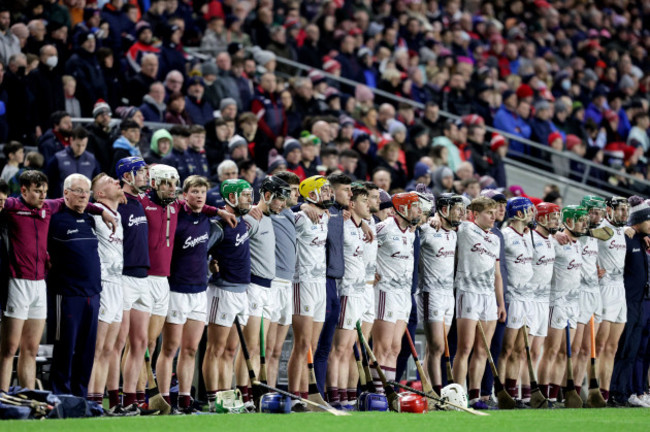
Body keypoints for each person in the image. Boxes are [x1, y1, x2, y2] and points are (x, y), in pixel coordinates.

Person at [0, 170, 114, 392]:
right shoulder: (13, 207)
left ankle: (30, 397)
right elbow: (4, 202)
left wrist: (102, 211)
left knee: (30, 348)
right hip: (18, 282)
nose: (42, 196)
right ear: (23, 190)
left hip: (40, 283)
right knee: (9, 349)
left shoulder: (47, 208)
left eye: (44, 191)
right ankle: (4, 399)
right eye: (36, 191)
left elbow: (75, 201)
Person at [155, 175, 212, 414]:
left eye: (203, 192)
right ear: (185, 194)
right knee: (170, 349)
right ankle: (165, 400)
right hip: (177, 289)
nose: (199, 196)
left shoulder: (209, 218)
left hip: (200, 291)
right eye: (195, 191)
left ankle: (186, 401)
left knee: (191, 350)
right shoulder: (175, 214)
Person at [234, 176, 291, 402]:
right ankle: (243, 394)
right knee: (250, 346)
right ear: (267, 196)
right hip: (254, 286)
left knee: (259, 347)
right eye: (280, 199)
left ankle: (253, 393)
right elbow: (234, 242)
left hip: (268, 287)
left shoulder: (268, 217)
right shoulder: (252, 218)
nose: (283, 204)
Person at [48, 174, 102, 397]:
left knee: (86, 350)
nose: (82, 195)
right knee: (65, 348)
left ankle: (81, 397)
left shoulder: (90, 219)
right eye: (77, 190)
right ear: (66, 193)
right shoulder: (56, 220)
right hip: (66, 295)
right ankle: (61, 395)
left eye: (86, 191)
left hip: (92, 295)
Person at [202, 179, 253, 412]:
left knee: (231, 350)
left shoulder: (242, 222)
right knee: (216, 348)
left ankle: (227, 399)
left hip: (242, 292)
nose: (248, 199)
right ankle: (214, 400)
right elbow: (199, 253)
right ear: (230, 198)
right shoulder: (218, 225)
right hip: (221, 291)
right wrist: (209, 267)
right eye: (244, 195)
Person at [452, 196, 505, 410]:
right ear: (475, 214)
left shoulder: (495, 239)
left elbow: (497, 274)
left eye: (495, 213)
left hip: (488, 297)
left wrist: (501, 303)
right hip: (468, 292)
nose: (493, 217)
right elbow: (444, 219)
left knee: (483, 350)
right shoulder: (464, 229)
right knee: (465, 347)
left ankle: (476, 396)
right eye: (488, 213)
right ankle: (457, 394)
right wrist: (437, 218)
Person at [287, 175, 332, 410]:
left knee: (312, 344)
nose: (328, 194)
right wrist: (301, 204)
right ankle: (295, 394)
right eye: (323, 191)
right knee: (302, 342)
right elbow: (284, 214)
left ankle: (307, 394)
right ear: (312, 193)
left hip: (319, 283)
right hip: (301, 282)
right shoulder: (300, 216)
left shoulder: (325, 216)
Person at [371, 192, 421, 393]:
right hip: (385, 292)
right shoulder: (382, 228)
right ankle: (377, 393)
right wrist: (370, 270)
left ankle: (388, 390)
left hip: (404, 294)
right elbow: (363, 247)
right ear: (402, 209)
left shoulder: (411, 231)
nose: (419, 211)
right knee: (381, 348)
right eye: (415, 206)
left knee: (395, 348)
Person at [537, 205, 588, 404]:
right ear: (568, 221)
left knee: (567, 352)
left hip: (573, 304)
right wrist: (555, 234)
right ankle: (542, 394)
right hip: (556, 301)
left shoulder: (578, 243)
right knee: (551, 350)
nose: (585, 224)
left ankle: (554, 395)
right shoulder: (555, 241)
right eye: (580, 220)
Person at [326, 184, 370, 409]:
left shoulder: (361, 226)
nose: (369, 205)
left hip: (358, 292)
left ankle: (345, 396)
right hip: (345, 291)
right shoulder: (341, 222)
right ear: (352, 204)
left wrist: (362, 223)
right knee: (340, 348)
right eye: (364, 201)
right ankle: (335, 396)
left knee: (349, 347)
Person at [417, 193, 464, 396]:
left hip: (448, 295)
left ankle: (428, 390)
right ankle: (437, 393)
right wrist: (430, 217)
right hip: (431, 293)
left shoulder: (453, 234)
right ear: (444, 210)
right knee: (436, 345)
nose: (460, 213)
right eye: (456, 209)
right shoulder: (427, 230)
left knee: (435, 348)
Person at [86, 173, 125, 406]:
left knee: (109, 348)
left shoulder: (117, 214)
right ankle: (90, 400)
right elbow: (75, 204)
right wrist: (98, 208)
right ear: (100, 194)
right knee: (97, 348)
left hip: (118, 284)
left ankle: (98, 402)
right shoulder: (95, 214)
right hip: (102, 285)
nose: (117, 182)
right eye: (111, 182)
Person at [610, 198, 650, 406]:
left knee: (632, 350)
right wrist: (625, 230)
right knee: (622, 349)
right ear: (640, 220)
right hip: (624, 302)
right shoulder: (626, 237)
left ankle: (622, 393)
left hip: (638, 302)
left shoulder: (641, 239)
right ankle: (612, 391)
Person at [497, 197, 535, 403]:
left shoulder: (529, 235)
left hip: (528, 298)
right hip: (512, 297)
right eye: (529, 210)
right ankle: (500, 392)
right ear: (519, 214)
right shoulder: (505, 235)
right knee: (507, 348)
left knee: (520, 350)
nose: (532, 213)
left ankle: (513, 393)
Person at [266, 171, 300, 387]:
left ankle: (271, 390)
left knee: (277, 349)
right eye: (292, 191)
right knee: (267, 348)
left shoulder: (291, 214)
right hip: (272, 283)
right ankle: (259, 392)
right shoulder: (265, 214)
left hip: (288, 284)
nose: (297, 195)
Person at [595, 197, 629, 405]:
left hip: (620, 290)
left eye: (626, 210)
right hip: (604, 289)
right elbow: (581, 238)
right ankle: (593, 391)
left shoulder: (622, 230)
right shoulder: (601, 229)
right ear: (609, 209)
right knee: (600, 345)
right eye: (621, 210)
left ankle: (605, 394)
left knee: (613, 347)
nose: (625, 214)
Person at [46, 126, 100, 197]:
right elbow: (49, 181)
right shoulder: (58, 158)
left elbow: (97, 182)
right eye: (78, 145)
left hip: (85, 202)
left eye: (83, 145)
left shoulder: (92, 159)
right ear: (71, 140)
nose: (80, 148)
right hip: (63, 202)